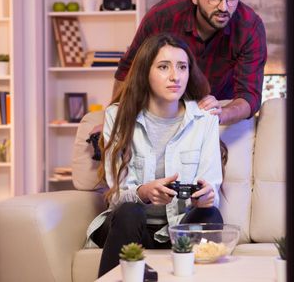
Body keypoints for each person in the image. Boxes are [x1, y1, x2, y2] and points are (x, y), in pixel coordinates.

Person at [86, 33, 225, 277]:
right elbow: (117, 195)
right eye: (163, 67)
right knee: (130, 210)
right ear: (145, 72)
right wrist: (143, 193)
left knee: (211, 213)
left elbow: (211, 183)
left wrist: (205, 196)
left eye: (182, 67)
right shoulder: (117, 117)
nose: (175, 76)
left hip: (178, 230)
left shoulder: (205, 120)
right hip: (130, 226)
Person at [114, 0, 267, 125]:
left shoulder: (250, 27)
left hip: (222, 108)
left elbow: (249, 95)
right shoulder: (162, 17)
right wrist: (114, 119)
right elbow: (128, 70)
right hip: (167, 107)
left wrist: (220, 114)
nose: (224, 7)